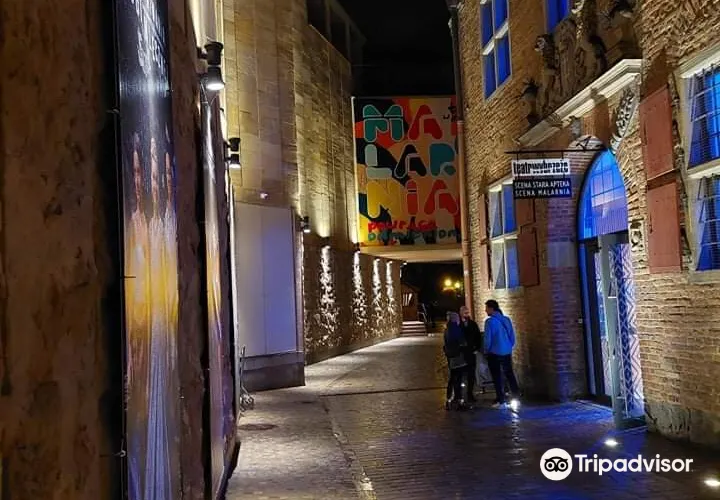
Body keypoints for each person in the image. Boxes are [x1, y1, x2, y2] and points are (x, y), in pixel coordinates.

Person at [483, 300, 520, 409]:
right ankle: (516, 395)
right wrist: (509, 346)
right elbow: (512, 336)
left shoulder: (489, 322)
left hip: (494, 353)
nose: (485, 310)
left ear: (491, 308)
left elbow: (487, 340)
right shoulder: (506, 319)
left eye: (486, 308)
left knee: (497, 376)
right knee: (509, 373)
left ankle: (501, 399)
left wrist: (486, 350)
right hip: (506, 351)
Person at [444, 312, 468, 410]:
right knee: (458, 379)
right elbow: (462, 342)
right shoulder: (456, 329)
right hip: (458, 357)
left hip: (451, 357)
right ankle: (459, 401)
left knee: (452, 379)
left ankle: (449, 400)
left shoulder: (447, 330)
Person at [459, 306, 482, 402]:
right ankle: (460, 395)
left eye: (467, 312)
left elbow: (478, 337)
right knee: (461, 374)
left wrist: (476, 348)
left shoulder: (473, 324)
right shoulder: (458, 324)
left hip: (471, 352)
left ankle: (470, 393)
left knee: (471, 374)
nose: (467, 314)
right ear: (460, 313)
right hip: (461, 353)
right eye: (465, 313)